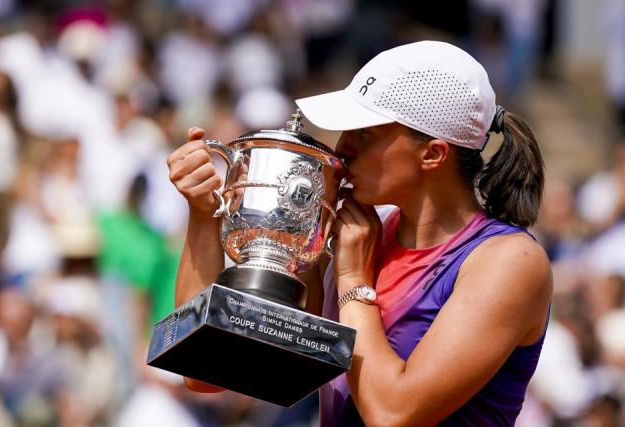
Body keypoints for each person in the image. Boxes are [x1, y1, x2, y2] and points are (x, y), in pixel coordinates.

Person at [168, 40, 552, 426]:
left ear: (432, 154)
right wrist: (204, 215)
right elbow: (207, 370)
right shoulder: (353, 237)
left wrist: (354, 281)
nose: (342, 148)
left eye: (365, 133)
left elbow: (392, 412)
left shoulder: (509, 261)